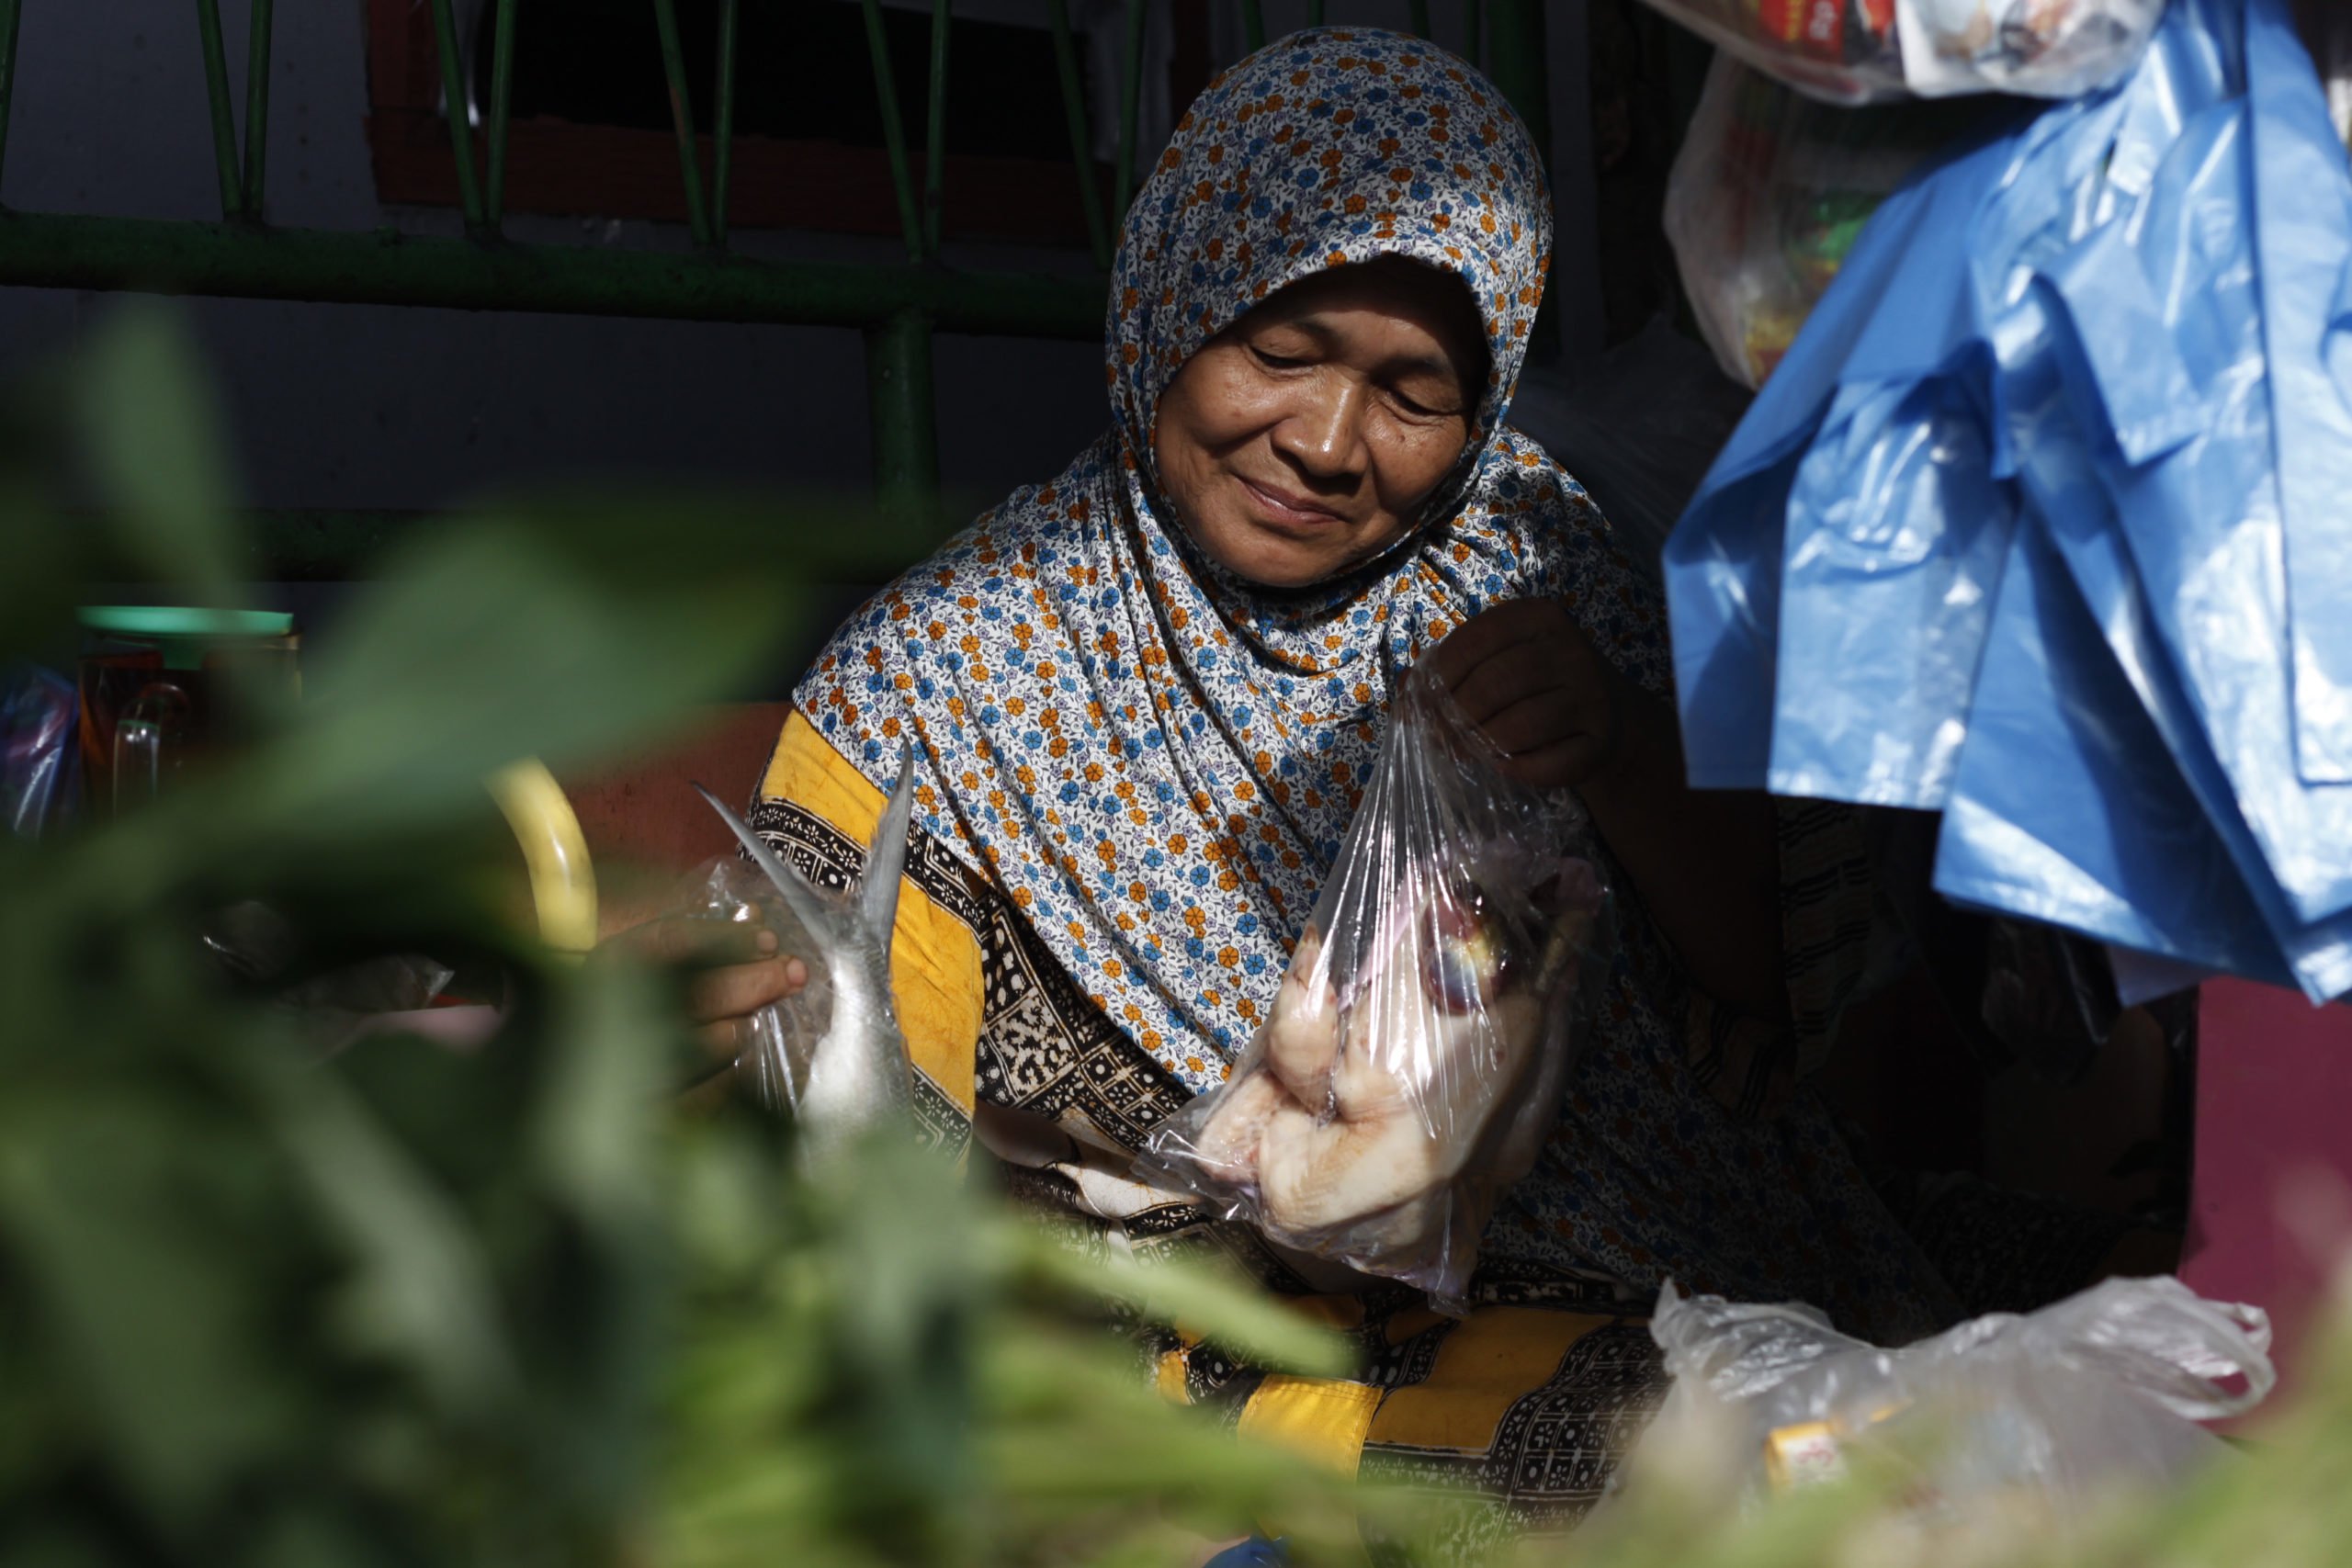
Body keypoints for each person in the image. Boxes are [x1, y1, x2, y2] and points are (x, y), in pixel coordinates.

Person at [680, 27, 1974, 1537]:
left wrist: (1616, 744)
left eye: (1416, 392)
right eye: (1279, 353)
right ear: (1169, 302)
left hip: (1671, 1277)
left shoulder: (1550, 581)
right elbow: (852, 1140)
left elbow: (1773, 1001)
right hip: (1231, 1340)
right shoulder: (945, 677)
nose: (1326, 441)